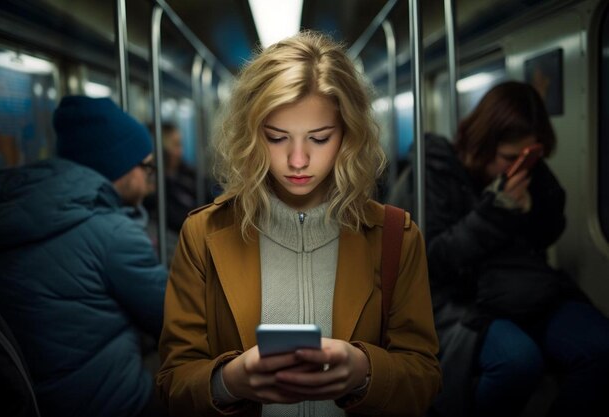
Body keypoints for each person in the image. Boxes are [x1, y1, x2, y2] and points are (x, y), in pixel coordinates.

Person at [156, 31, 442, 417]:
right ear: (252, 137)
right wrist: (228, 381)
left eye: (319, 139)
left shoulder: (396, 236)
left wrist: (364, 372)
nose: (297, 160)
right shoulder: (204, 235)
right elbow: (173, 381)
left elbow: (424, 377)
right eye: (277, 138)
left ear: (348, 137)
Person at [393, 81, 609, 417]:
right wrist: (495, 212)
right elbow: (434, 259)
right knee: (518, 361)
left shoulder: (529, 174)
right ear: (482, 144)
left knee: (600, 347)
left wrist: (538, 199)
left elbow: (545, 236)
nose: (515, 168)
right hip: (463, 297)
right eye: (509, 158)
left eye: (526, 158)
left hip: (524, 288)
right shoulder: (437, 171)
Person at [0, 96, 169, 417]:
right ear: (119, 165)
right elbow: (172, 319)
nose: (150, 182)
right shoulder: (112, 233)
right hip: (114, 404)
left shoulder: (5, 209)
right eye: (147, 167)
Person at [146, 122, 198, 232]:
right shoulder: (154, 190)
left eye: (180, 145)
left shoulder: (186, 174)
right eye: (176, 145)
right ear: (162, 150)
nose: (180, 152)